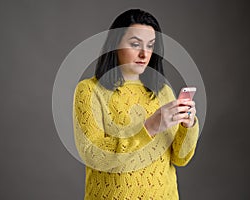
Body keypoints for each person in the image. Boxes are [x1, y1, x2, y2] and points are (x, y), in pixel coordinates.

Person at [73, 8, 199, 200]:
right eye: (135, 44)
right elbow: (93, 155)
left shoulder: (162, 90)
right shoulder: (89, 90)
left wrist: (187, 127)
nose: (144, 54)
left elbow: (180, 159)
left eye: (150, 46)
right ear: (114, 45)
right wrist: (149, 128)